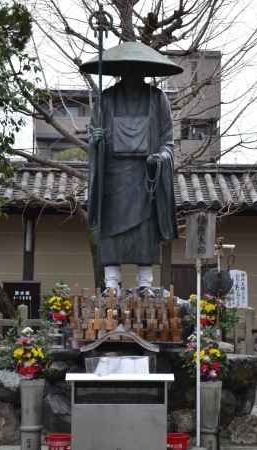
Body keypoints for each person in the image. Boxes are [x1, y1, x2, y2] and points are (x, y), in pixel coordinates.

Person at [83, 42, 182, 296]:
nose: (132, 74)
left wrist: (160, 157)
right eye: (127, 69)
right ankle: (111, 282)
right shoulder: (106, 100)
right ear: (120, 71)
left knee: (145, 230)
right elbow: (93, 138)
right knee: (111, 227)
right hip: (113, 178)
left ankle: (145, 282)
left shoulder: (157, 99)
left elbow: (167, 141)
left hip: (145, 177)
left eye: (138, 69)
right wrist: (96, 140)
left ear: (146, 72)